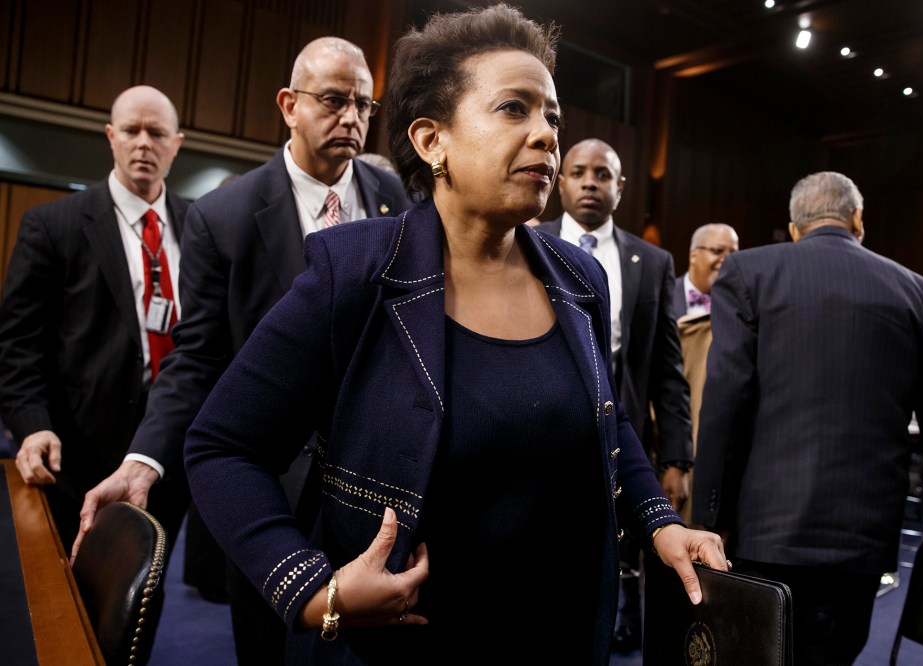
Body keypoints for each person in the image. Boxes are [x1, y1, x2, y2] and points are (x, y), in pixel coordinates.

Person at [183, 5, 727, 664]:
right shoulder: (355, 270)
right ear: (430, 140)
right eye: (512, 109)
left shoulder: (580, 279)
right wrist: (311, 587)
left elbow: (609, 427)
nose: (546, 136)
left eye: (552, 115)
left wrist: (661, 522)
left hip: (558, 636)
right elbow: (221, 446)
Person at [74, 37, 410, 665]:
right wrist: (145, 460)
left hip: (376, 484)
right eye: (334, 101)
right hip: (269, 491)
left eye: (364, 104)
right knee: (267, 653)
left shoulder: (402, 206)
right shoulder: (222, 217)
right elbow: (198, 358)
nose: (352, 118)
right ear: (289, 104)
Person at [693, 171, 923, 665]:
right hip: (864, 540)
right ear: (859, 221)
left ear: (795, 226)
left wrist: (708, 522)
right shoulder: (920, 293)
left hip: (764, 534)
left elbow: (725, 402)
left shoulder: (748, 273)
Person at [0, 85, 188, 553]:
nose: (144, 143)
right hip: (78, 452)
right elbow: (17, 345)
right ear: (110, 136)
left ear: (176, 144)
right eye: (131, 130)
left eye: (157, 133)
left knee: (147, 593)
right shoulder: (53, 225)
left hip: (170, 448)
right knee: (74, 596)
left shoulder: (200, 224)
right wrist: (31, 424)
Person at [535, 137, 692, 653]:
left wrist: (675, 457)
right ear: (560, 181)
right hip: (544, 430)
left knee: (613, 554)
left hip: (620, 435)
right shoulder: (525, 241)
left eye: (602, 175)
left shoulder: (652, 260)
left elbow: (668, 370)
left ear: (619, 188)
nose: (588, 183)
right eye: (577, 172)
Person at [671, 223, 739, 524]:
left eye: (733, 253)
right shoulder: (664, 296)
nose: (726, 259)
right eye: (717, 251)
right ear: (694, 255)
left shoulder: (741, 310)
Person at [671, 223, 739, 319]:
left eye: (733, 255)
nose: (727, 261)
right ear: (693, 255)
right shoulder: (666, 295)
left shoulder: (740, 302)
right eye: (718, 251)